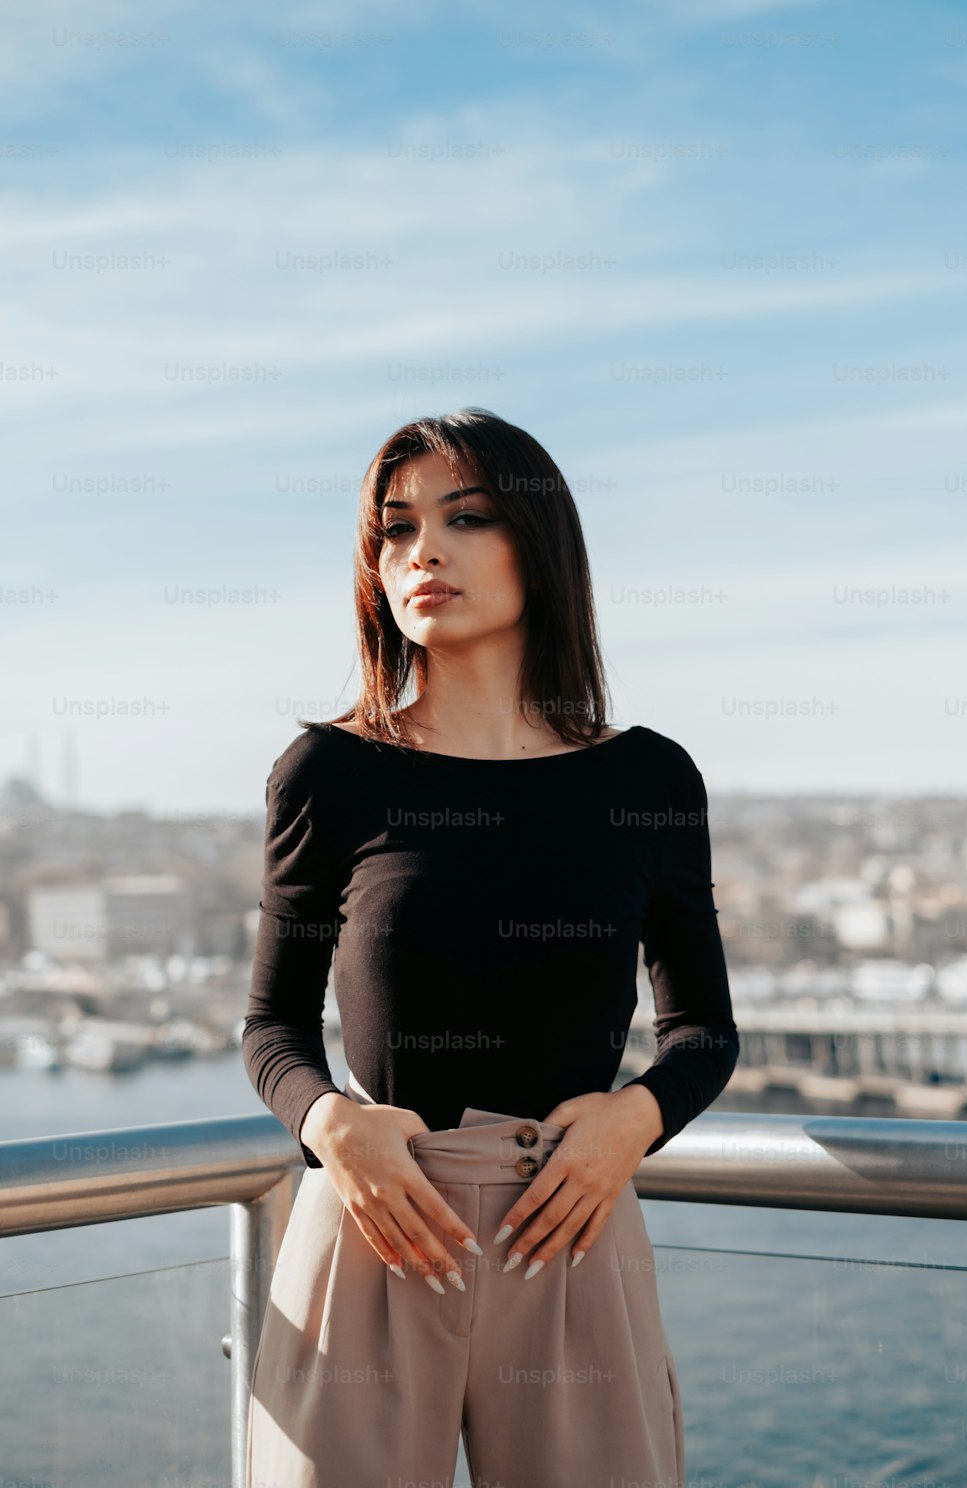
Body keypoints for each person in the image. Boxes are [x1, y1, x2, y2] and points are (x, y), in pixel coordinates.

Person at [242, 406, 740, 1487]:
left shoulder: (647, 779)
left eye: (466, 517)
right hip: (375, 1221)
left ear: (540, 545)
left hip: (571, 1225)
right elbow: (272, 1026)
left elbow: (703, 1029)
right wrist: (332, 1125)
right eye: (395, 528)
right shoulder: (328, 771)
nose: (422, 550)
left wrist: (633, 1121)